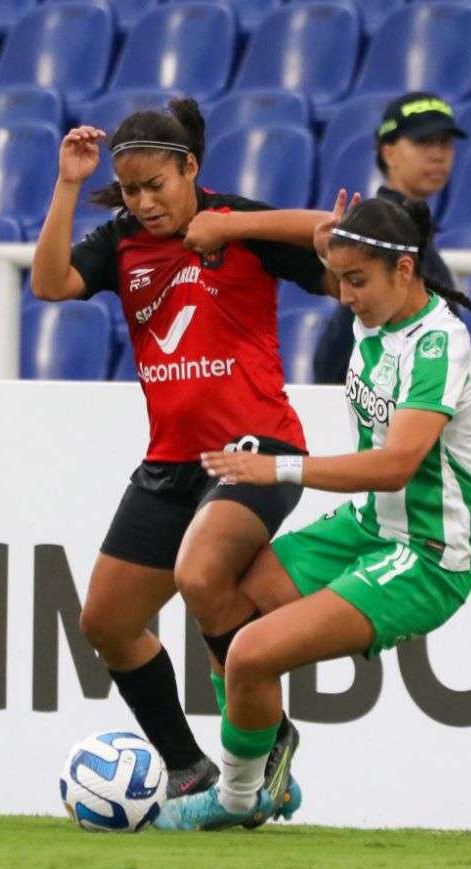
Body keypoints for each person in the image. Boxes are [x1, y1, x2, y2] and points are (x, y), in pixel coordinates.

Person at [157, 195, 471, 830]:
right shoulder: (376, 291)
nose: (343, 296)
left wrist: (280, 468)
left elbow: (397, 464)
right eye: (338, 278)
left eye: (356, 281)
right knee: (214, 589)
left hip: (425, 556)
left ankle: (236, 798)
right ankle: (267, 754)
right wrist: (232, 226)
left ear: (405, 271)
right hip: (368, 529)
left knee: (252, 653)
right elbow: (311, 232)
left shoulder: (437, 346)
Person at [30, 98, 335, 815]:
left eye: (155, 187)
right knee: (105, 622)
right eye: (130, 191)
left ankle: (263, 743)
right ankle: (190, 769)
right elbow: (49, 285)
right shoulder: (122, 241)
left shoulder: (237, 224)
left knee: (203, 574)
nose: (142, 203)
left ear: (189, 168)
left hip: (255, 450)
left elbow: (332, 238)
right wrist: (69, 185)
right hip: (170, 463)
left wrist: (235, 226)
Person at [313, 92, 465, 385]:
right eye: (423, 142)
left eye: (445, 143)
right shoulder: (385, 234)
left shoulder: (397, 229)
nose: (437, 154)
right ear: (388, 152)